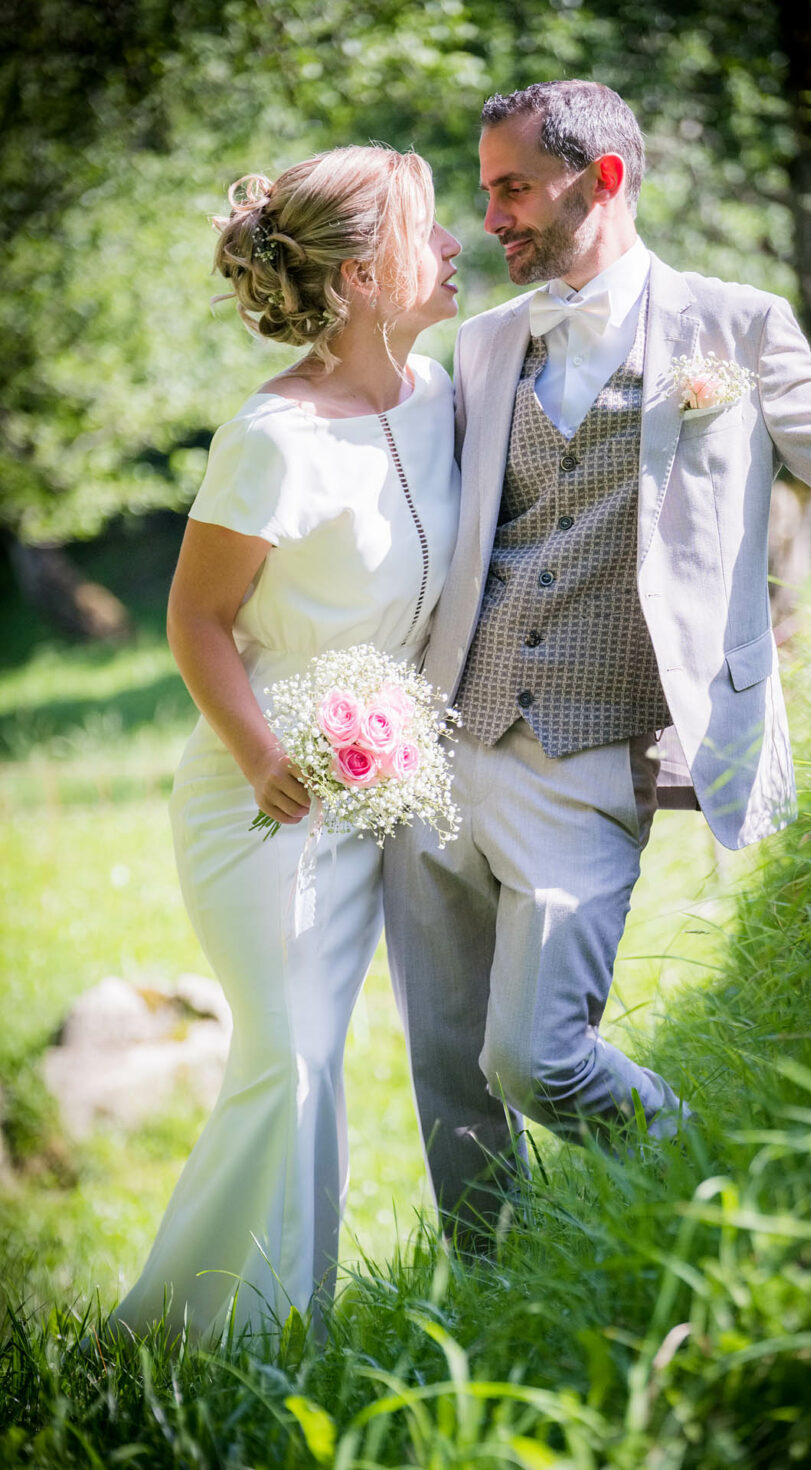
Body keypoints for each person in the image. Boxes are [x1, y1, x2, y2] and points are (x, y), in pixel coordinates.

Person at [383, 79, 811, 1240]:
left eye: (511, 187)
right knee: (449, 1071)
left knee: (534, 1056)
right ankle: (491, 1285)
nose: (489, 217)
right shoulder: (483, 341)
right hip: (439, 740)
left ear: (599, 178)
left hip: (587, 751)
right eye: (485, 189)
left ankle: (691, 1178)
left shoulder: (734, 325)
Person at [110, 145, 460, 1342]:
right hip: (263, 799)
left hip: (377, 797)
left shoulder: (444, 397)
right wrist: (265, 756)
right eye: (431, 227)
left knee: (310, 1061)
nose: (457, 244)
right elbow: (195, 620)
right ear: (364, 276)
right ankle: (200, 1338)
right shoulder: (271, 437)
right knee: (288, 1057)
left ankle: (271, 1326)